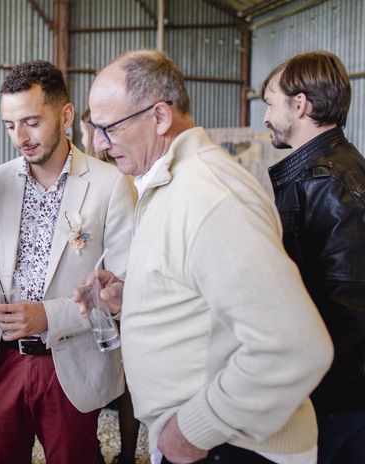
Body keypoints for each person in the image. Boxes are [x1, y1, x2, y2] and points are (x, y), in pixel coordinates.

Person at [84, 49, 334, 464]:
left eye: (108, 128)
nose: (99, 144)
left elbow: (295, 345)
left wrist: (196, 428)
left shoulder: (209, 194)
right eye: (95, 128)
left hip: (234, 448)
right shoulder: (173, 183)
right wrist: (139, 297)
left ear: (160, 117)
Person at [0, 60, 136, 464]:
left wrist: (49, 316)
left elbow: (127, 286)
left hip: (71, 363)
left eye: (30, 122)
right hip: (0, 362)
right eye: (9, 126)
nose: (20, 138)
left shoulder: (111, 185)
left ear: (65, 115)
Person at [262, 51, 365, 464]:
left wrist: (295, 380)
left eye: (270, 103)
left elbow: (347, 308)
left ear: (299, 105)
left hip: (337, 395)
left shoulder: (326, 180)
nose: (266, 116)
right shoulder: (325, 171)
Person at [80, 110, 140, 464]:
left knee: (123, 374)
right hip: (97, 285)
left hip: (118, 285)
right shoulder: (93, 174)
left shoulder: (123, 177)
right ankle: (110, 451)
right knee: (97, 373)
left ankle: (126, 453)